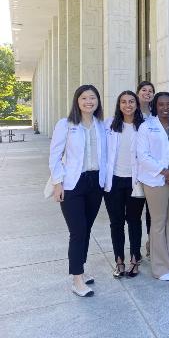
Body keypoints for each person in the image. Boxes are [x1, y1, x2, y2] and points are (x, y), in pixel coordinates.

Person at [49, 85, 107, 297]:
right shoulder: (66, 124)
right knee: (78, 231)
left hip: (95, 183)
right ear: (77, 101)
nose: (88, 101)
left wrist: (105, 183)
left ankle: (80, 269)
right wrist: (57, 183)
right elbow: (54, 155)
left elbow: (106, 156)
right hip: (73, 184)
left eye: (92, 98)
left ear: (98, 101)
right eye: (84, 98)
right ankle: (76, 279)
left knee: (87, 229)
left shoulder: (101, 125)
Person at [137, 92, 169, 281]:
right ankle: (159, 268)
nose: (165, 108)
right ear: (155, 106)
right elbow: (142, 155)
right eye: (161, 104)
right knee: (158, 222)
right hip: (156, 180)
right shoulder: (146, 127)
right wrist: (165, 172)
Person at [104, 91, 146, 279]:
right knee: (116, 223)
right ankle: (119, 260)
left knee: (134, 221)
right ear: (118, 105)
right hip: (113, 181)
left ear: (136, 104)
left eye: (131, 101)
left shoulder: (144, 126)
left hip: (135, 181)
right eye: (123, 102)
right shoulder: (109, 125)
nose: (127, 105)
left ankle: (135, 259)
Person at [136, 80, 155, 257]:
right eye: (144, 90)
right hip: (135, 168)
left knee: (152, 211)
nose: (147, 93)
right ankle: (135, 249)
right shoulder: (131, 111)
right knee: (135, 212)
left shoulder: (155, 113)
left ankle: (151, 242)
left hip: (152, 170)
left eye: (150, 91)